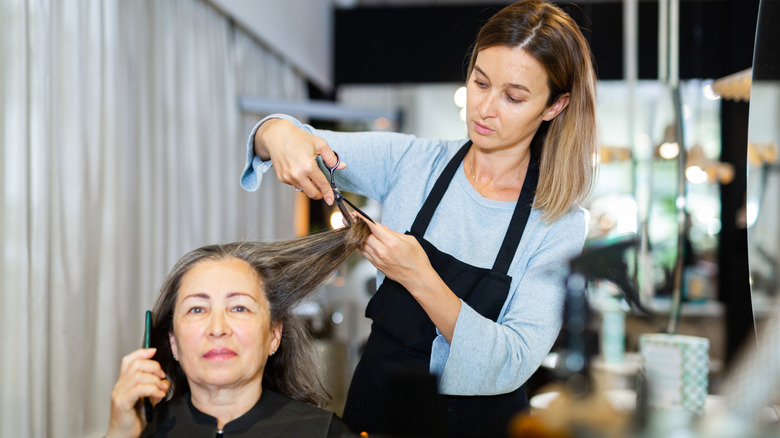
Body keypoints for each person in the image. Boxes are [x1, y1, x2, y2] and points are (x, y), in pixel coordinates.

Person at [241, 1, 597, 436]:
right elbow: (291, 138)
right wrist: (277, 134)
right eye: (479, 83)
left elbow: (513, 360)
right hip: (379, 407)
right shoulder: (414, 163)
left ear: (554, 107)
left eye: (513, 97)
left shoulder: (557, 223)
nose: (484, 109)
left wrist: (419, 277)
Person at [106, 221, 371, 438]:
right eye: (197, 309)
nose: (218, 328)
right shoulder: (143, 432)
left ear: (274, 336)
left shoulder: (324, 433)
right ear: (173, 343)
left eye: (239, 308)